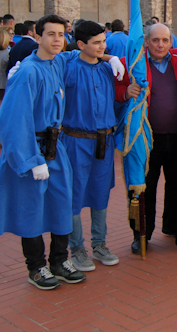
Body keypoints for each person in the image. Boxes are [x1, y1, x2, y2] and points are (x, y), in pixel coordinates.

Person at [0, 14, 87, 290]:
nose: (58, 39)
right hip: (32, 150)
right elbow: (13, 122)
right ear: (38, 36)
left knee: (61, 204)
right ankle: (36, 267)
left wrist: (109, 57)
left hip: (56, 149)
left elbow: (79, 53)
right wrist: (32, 160)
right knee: (31, 209)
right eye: (51, 34)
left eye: (61, 34)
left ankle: (59, 261)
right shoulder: (28, 72)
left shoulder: (56, 62)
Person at [114, 23, 177, 254]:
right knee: (143, 188)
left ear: (171, 42)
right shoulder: (131, 63)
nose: (160, 45)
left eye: (165, 40)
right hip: (146, 139)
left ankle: (174, 226)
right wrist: (125, 92)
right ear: (146, 41)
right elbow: (115, 88)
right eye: (155, 40)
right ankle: (141, 234)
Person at [63, 21, 123, 272]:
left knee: (100, 192)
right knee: (74, 194)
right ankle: (77, 248)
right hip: (76, 141)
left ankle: (99, 243)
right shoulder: (68, 68)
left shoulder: (107, 70)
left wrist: (111, 60)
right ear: (80, 44)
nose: (102, 47)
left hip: (104, 142)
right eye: (96, 43)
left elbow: (116, 101)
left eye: (104, 42)